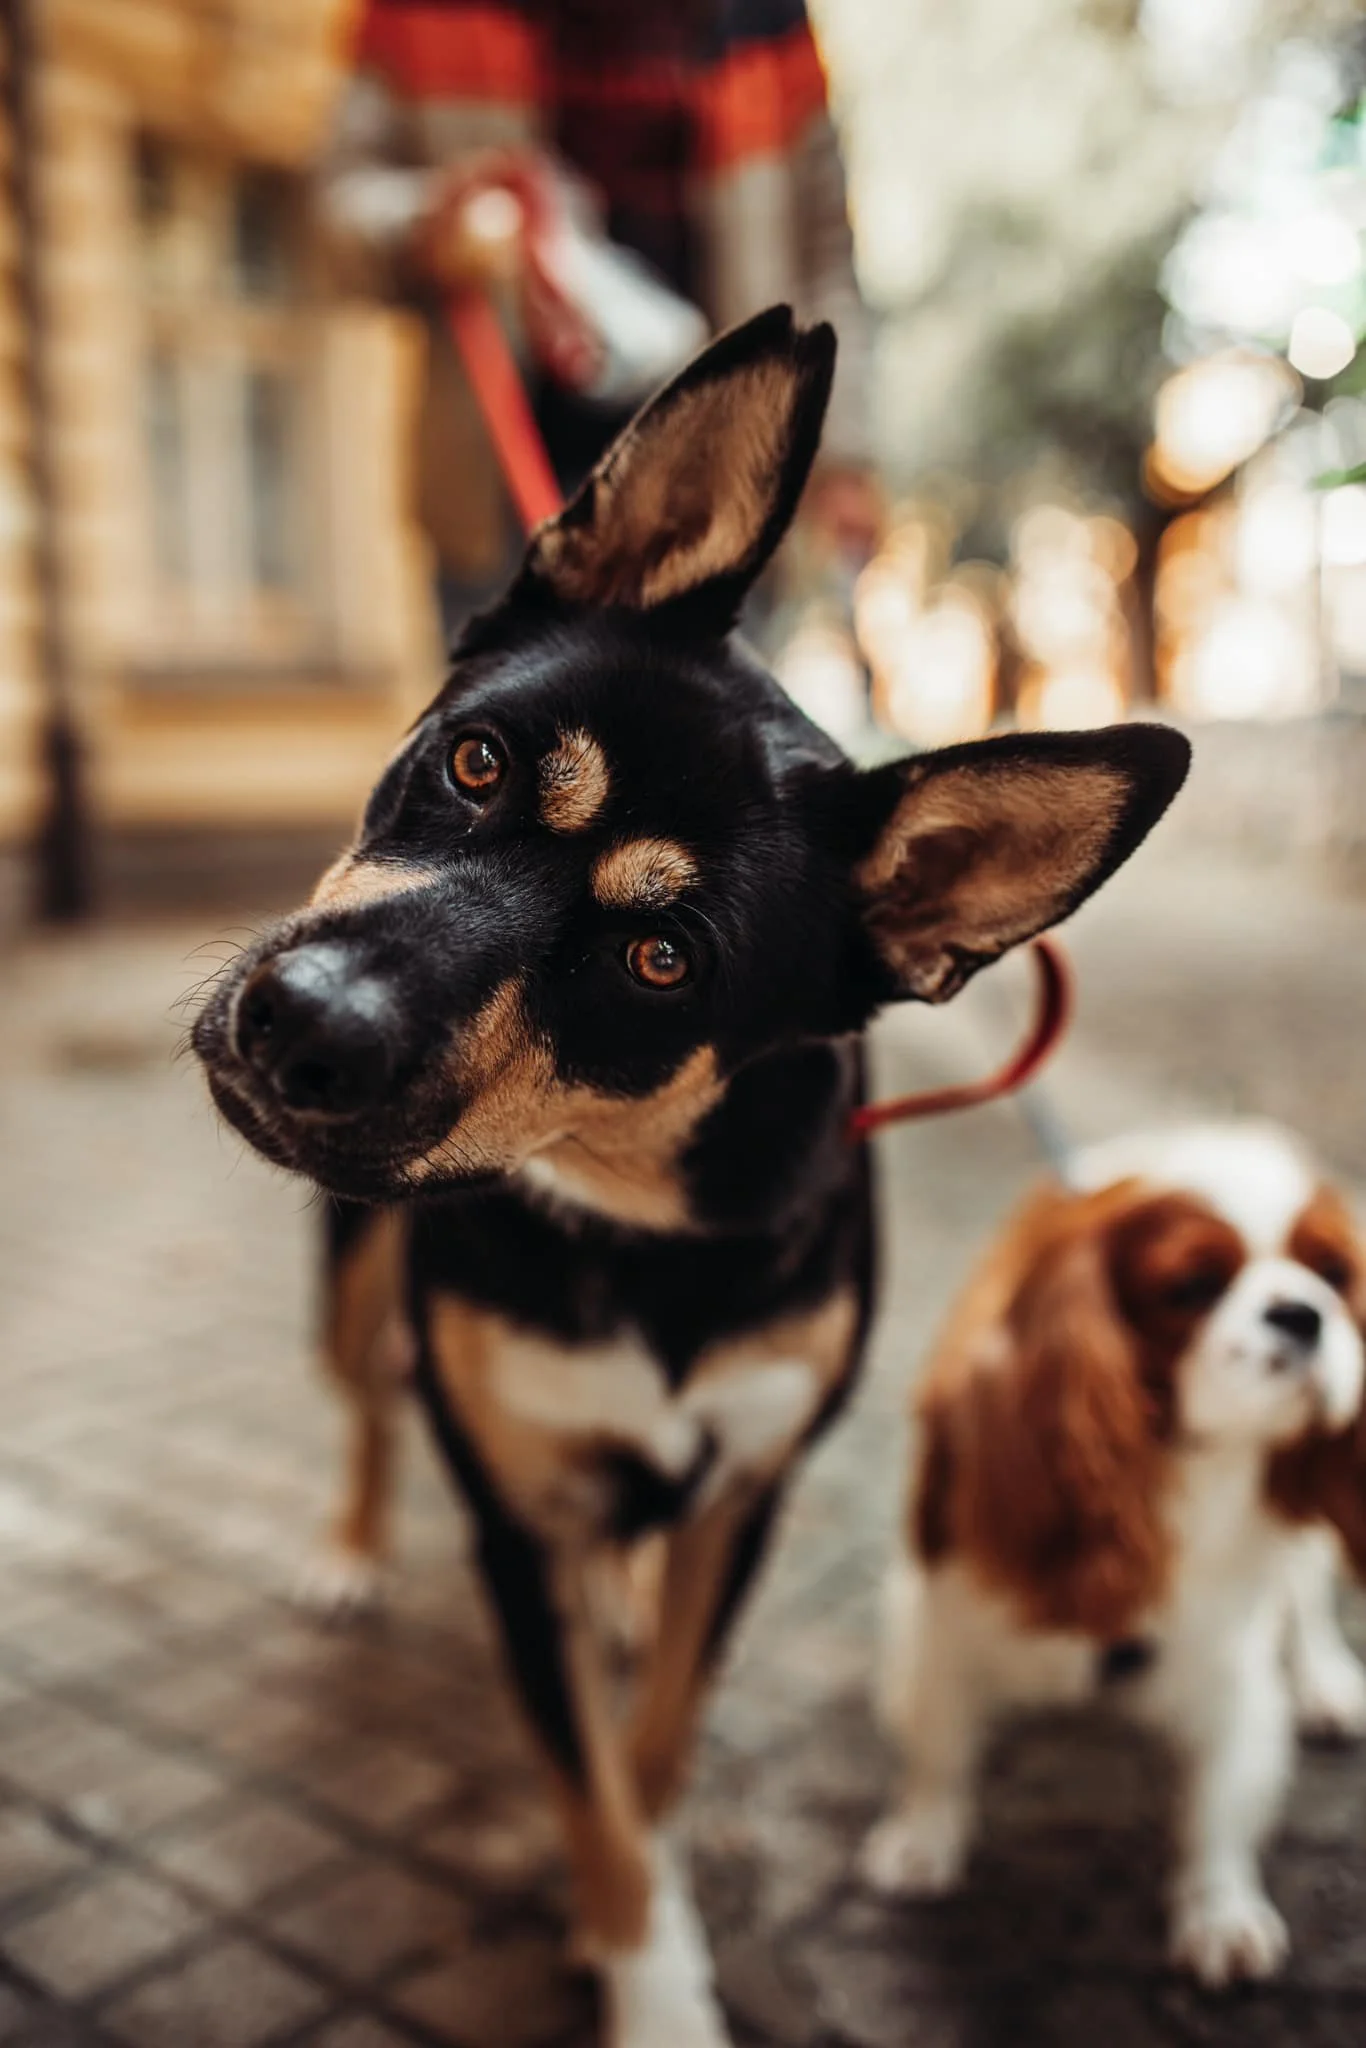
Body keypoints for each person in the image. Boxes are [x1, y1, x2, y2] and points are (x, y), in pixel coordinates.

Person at [320, 0, 878, 639]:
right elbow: (334, 207)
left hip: (720, 494)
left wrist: (842, 453)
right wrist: (427, 223)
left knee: (695, 733)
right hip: (502, 507)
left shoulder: (766, 20)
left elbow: (826, 247)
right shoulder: (419, 13)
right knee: (522, 730)